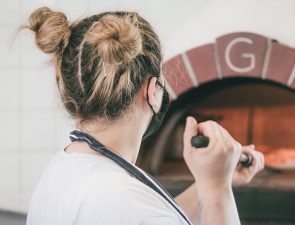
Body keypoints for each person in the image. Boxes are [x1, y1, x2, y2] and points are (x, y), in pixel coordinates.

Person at [19, 7, 264, 225]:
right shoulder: (134, 209)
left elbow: (156, 214)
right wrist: (217, 190)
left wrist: (213, 180)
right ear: (151, 91)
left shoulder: (63, 169)